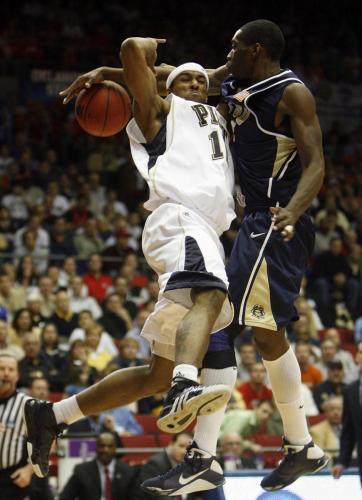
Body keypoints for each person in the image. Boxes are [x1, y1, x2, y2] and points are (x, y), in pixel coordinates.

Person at [24, 38, 237, 497]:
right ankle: (185, 385)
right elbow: (132, 53)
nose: (196, 81)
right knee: (212, 296)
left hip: (203, 229)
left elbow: (221, 76)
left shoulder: (216, 114)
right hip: (181, 218)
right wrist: (133, 55)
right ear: (165, 88)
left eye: (201, 79)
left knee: (153, 374)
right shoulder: (160, 112)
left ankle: (53, 415)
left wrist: (108, 73)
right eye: (184, 78)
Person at [213, 19, 328, 491]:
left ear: (255, 49)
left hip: (275, 220)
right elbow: (181, 77)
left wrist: (292, 212)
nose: (229, 52)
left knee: (222, 321)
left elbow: (316, 163)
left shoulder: (292, 93)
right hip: (252, 225)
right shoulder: (236, 80)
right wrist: (111, 71)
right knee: (263, 333)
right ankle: (301, 446)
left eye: (235, 46)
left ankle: (201, 452)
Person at [58, 432, 136, 500]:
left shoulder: (128, 471)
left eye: (110, 446)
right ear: (96, 447)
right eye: (102, 446)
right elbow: (65, 497)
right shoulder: (82, 471)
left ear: (115, 449)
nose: (106, 449)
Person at [0, 354, 33, 499]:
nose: (6, 373)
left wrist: (29, 469)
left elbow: (49, 439)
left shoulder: (27, 404)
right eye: (1, 369)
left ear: (17, 376)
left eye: (10, 369)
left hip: (10, 478)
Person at [331, 341, 362, 486]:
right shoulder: (350, 391)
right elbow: (348, 431)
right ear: (356, 358)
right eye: (361, 352)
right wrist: (342, 461)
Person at [132, 432, 193, 500]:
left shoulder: (190, 465)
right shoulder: (155, 464)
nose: (184, 451)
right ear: (171, 444)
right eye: (181, 446)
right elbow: (157, 495)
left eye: (188, 448)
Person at [309, 396, 342, 462]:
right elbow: (318, 457)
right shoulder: (316, 431)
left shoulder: (354, 428)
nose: (336, 413)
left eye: (339, 409)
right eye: (332, 409)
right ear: (325, 412)